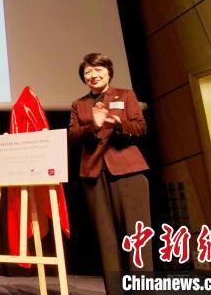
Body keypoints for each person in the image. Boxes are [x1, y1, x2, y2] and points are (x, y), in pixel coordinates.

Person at [68, 53, 151, 295]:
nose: (93, 75)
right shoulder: (79, 104)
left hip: (128, 170)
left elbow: (140, 127)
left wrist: (118, 124)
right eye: (88, 72)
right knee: (107, 239)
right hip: (93, 173)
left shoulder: (125, 95)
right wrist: (93, 126)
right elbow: (73, 135)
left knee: (136, 235)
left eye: (98, 70)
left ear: (108, 72)